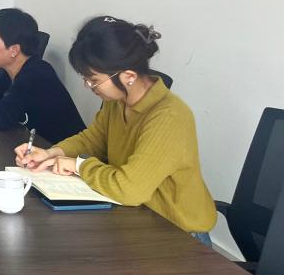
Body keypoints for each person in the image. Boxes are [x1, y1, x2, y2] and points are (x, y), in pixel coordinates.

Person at [15, 16, 216, 242]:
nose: (88, 86)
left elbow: (130, 189)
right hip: (138, 219)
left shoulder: (169, 117)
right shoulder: (119, 100)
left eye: (93, 80)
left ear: (128, 76)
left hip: (180, 235)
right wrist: (51, 153)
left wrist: (79, 166)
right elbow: (93, 140)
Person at [0, 8, 85, 142]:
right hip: (40, 149)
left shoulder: (36, 75)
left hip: (68, 153)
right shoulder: (11, 73)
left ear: (14, 50)